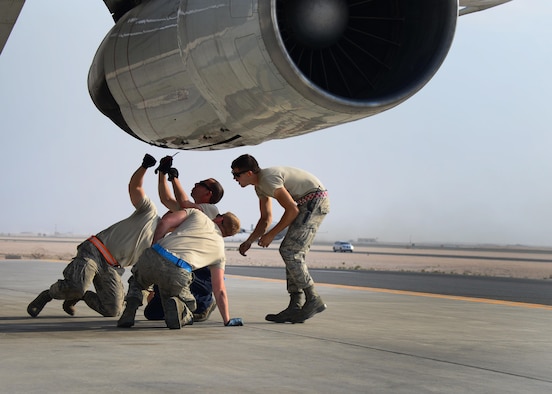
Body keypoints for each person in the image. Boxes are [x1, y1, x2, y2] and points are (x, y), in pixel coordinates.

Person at [27, 154, 162, 318]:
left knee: (112, 310)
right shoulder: (149, 213)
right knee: (77, 286)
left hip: (113, 268)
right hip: (95, 251)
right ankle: (49, 294)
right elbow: (135, 188)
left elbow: (149, 281)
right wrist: (144, 167)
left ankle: (79, 296)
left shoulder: (161, 247)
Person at [230, 154, 330, 324]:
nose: (235, 179)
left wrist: (271, 234)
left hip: (314, 201)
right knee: (290, 251)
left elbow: (291, 210)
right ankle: (295, 305)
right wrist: (249, 241)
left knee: (290, 251)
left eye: (236, 175)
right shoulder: (260, 186)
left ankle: (313, 299)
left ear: (249, 173)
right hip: (305, 203)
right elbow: (265, 218)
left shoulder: (268, 178)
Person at [117, 208, 243, 329]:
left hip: (152, 255)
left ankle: (130, 308)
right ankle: (179, 310)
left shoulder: (197, 215)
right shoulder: (220, 252)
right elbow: (219, 289)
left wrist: (154, 246)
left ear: (220, 219)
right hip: (177, 270)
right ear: (227, 235)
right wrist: (227, 320)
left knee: (137, 283)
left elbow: (165, 222)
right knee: (189, 303)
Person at [144, 156, 224, 322]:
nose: (196, 183)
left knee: (195, 308)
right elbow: (166, 199)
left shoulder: (210, 210)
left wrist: (174, 179)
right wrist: (162, 173)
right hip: (182, 261)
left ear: (209, 194)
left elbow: (184, 203)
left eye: (201, 183)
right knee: (153, 313)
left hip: (199, 266)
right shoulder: (189, 210)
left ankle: (206, 304)